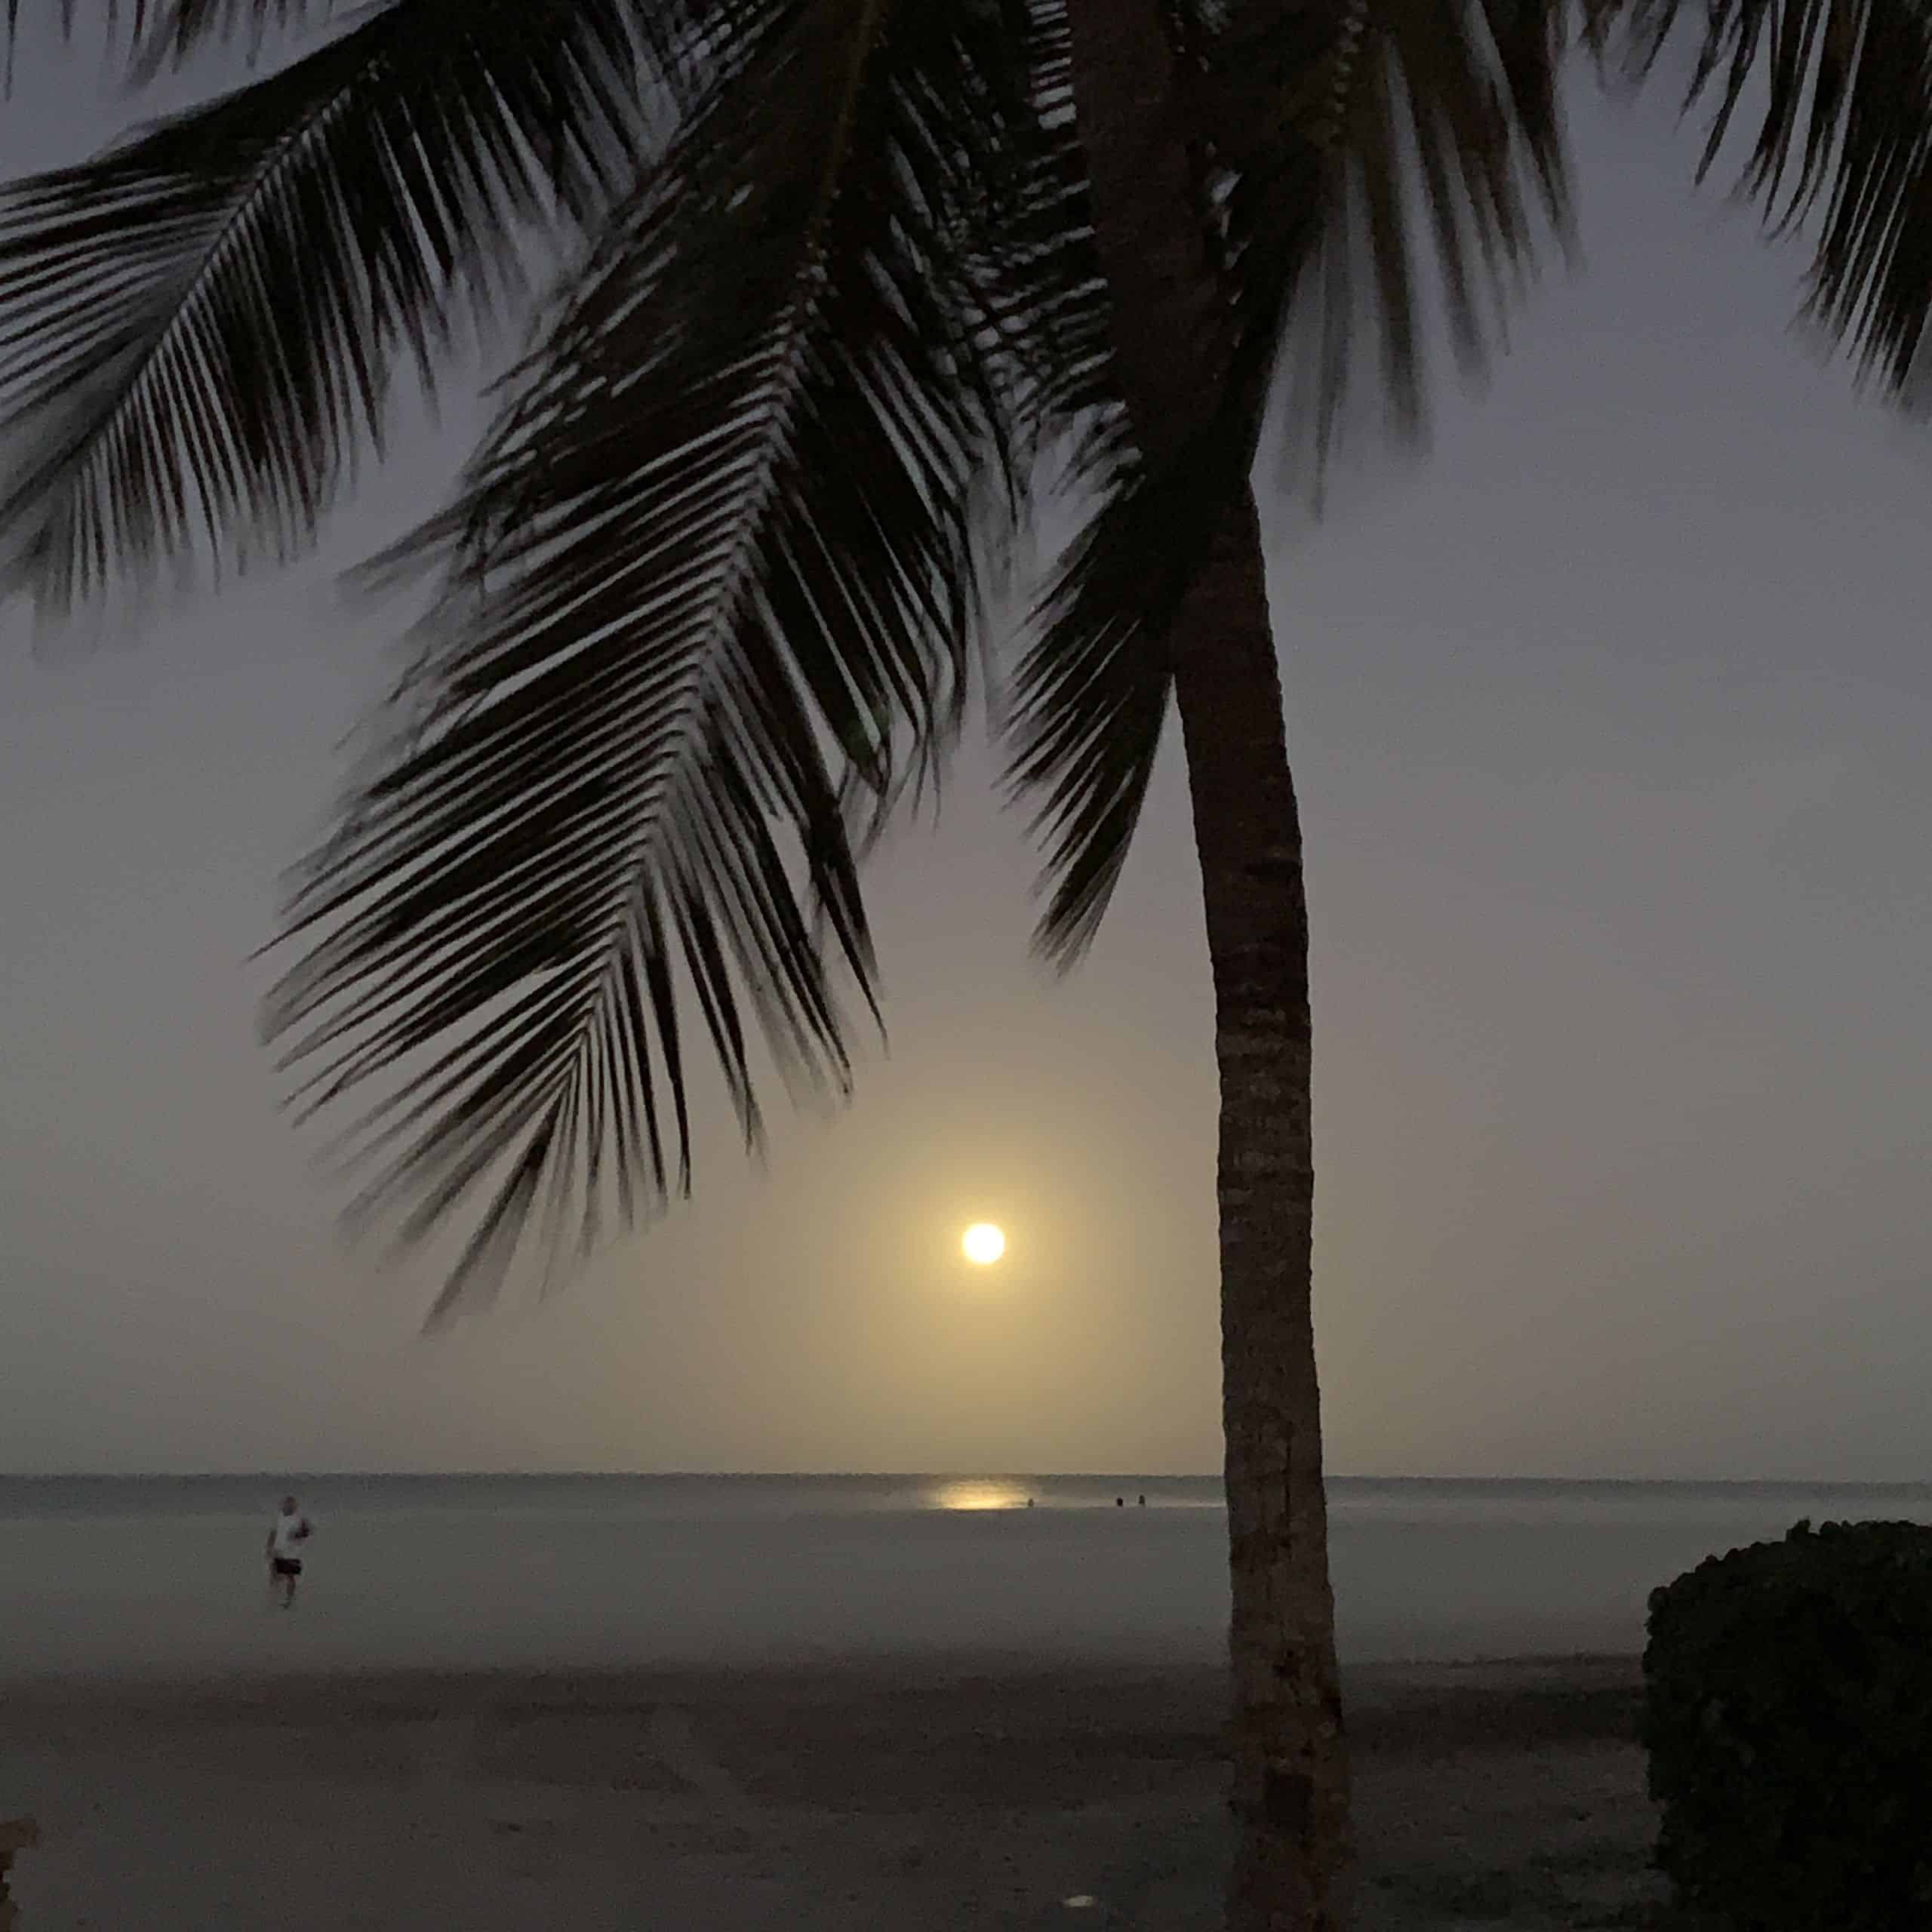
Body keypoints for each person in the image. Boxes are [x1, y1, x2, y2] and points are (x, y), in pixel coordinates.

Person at [266, 1495, 313, 1609]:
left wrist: (298, 1535)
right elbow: (273, 1532)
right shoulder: (279, 1517)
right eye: (286, 1504)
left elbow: (307, 1531)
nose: (288, 1506)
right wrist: (269, 1547)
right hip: (279, 1550)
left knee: (290, 1576)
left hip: (292, 1552)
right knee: (273, 1570)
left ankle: (289, 1599)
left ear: (295, 1507)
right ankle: (274, 1593)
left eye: (291, 1504)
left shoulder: (299, 1519)